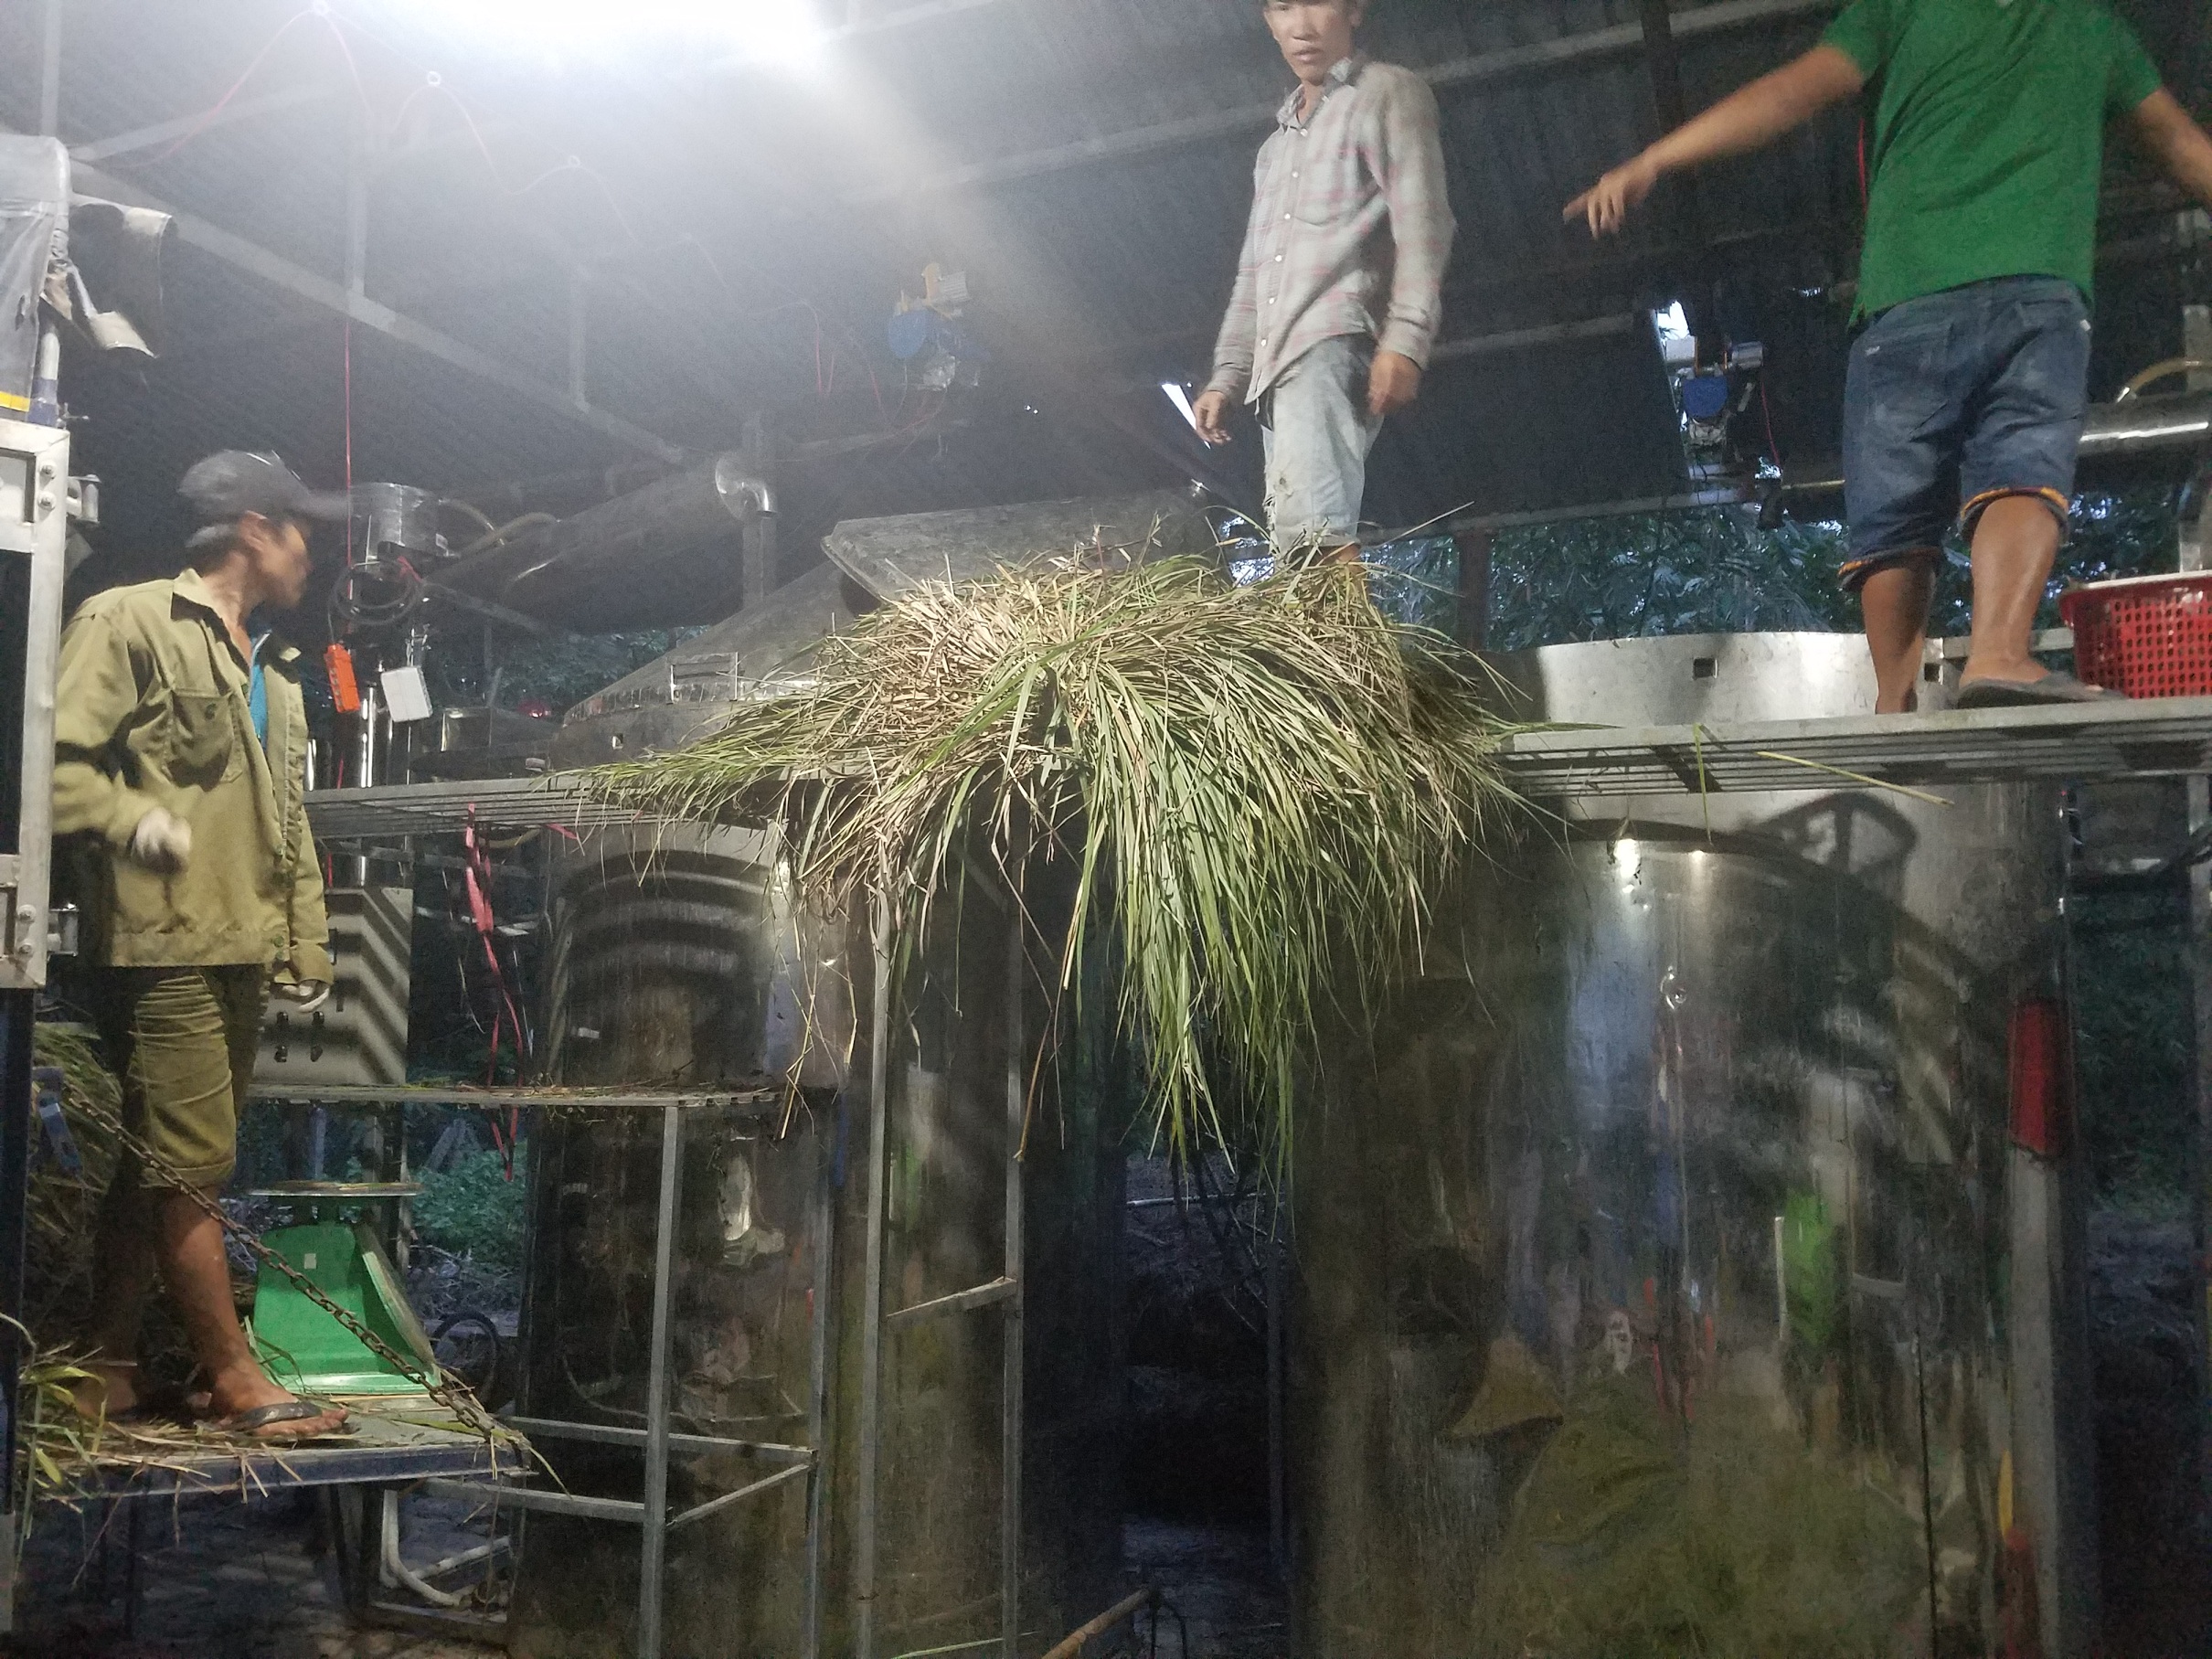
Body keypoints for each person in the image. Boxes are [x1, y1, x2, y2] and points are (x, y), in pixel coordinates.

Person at [1565, 0, 2212, 712]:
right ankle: (1998, 653)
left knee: (1895, 504)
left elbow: (1791, 92)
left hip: (1907, 304)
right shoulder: (2092, 26)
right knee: (2023, 467)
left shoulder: (1902, 9)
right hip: (2036, 292)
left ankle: (1893, 698)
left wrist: (1657, 158)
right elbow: (2184, 148)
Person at [54, 452, 351, 1441]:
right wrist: (134, 821)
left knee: (162, 1160)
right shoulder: (125, 620)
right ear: (255, 531)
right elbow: (51, 767)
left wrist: (305, 940)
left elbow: (288, 820)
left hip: (239, 943)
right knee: (191, 1167)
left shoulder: (275, 666)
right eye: (301, 530)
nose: (311, 552)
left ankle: (106, 1368)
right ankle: (233, 1376)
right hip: (161, 944)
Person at [1191, 0, 1454, 559]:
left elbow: (1424, 220)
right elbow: (1254, 271)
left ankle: (1341, 621)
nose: (1301, 26)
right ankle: (1330, 619)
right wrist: (1228, 375)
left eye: (1317, 3)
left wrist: (1406, 339)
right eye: (1283, 7)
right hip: (1275, 365)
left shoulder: (1386, 92)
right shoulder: (1274, 148)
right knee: (1297, 538)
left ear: (1355, 10)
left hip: (1331, 338)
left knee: (1315, 537)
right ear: (1268, 21)